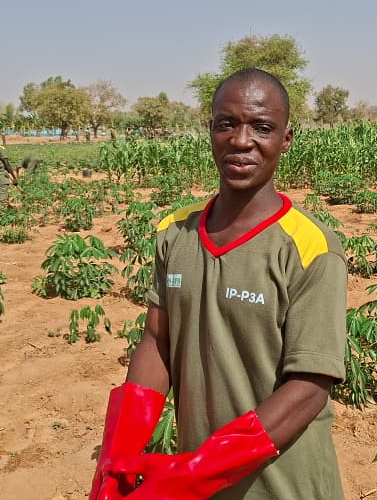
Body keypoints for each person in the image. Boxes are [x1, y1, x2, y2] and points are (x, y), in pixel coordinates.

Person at [87, 69, 347, 499]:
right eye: (227, 124)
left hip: (282, 486)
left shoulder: (309, 248)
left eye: (262, 128)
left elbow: (309, 388)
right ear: (210, 130)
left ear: (286, 139)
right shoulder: (176, 232)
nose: (241, 141)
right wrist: (117, 452)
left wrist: (196, 473)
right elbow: (156, 339)